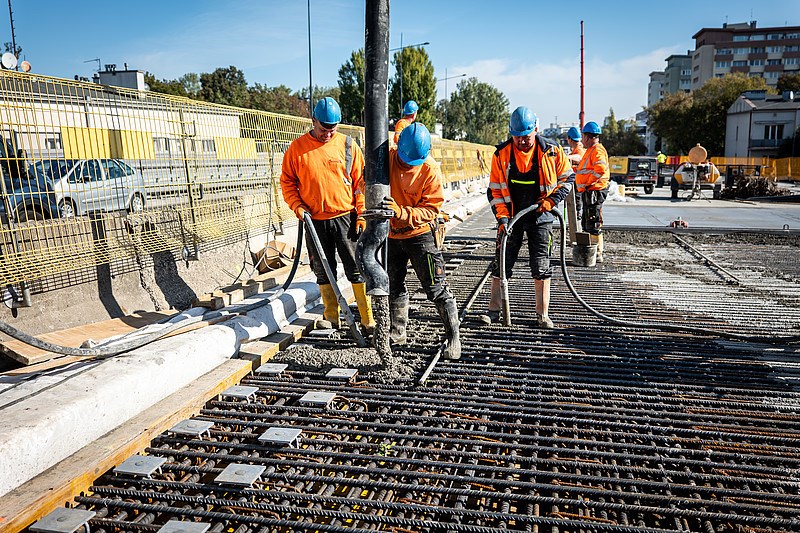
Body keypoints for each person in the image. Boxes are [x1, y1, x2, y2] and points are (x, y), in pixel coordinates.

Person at [280, 96, 375, 334]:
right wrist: (298, 207)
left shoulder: (347, 145)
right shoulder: (297, 149)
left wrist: (362, 215)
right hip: (314, 220)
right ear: (313, 121)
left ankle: (367, 319)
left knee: (356, 267)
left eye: (333, 129)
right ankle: (331, 316)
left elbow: (360, 184)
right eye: (324, 129)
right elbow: (287, 183)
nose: (328, 134)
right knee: (323, 269)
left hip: (345, 217)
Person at [480, 106, 575, 328]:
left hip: (541, 216)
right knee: (502, 263)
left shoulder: (552, 151)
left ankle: (542, 315)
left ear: (536, 130)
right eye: (518, 137)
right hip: (512, 217)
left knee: (541, 265)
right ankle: (493, 311)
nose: (522, 141)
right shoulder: (501, 154)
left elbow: (568, 179)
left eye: (526, 136)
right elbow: (494, 191)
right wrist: (502, 219)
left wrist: (551, 202)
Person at [379, 123, 461, 360]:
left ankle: (453, 336)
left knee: (436, 287)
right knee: (393, 284)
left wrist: (402, 212)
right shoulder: (388, 158)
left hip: (420, 233)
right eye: (405, 160)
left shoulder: (429, 169)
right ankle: (397, 332)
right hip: (392, 234)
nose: (407, 165)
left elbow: (431, 209)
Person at [575, 121, 610, 263]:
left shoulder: (597, 150)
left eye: (583, 136)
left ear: (588, 137)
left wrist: (588, 182)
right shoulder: (591, 150)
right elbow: (587, 169)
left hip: (594, 191)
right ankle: (594, 250)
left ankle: (597, 253)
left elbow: (600, 169)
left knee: (593, 221)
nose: (581, 139)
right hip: (590, 191)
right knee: (589, 221)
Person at [565, 126, 585, 219]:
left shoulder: (579, 149)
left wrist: (567, 158)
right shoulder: (575, 150)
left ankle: (578, 212)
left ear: (569, 139)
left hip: (579, 182)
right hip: (577, 181)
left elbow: (580, 157)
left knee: (577, 198)